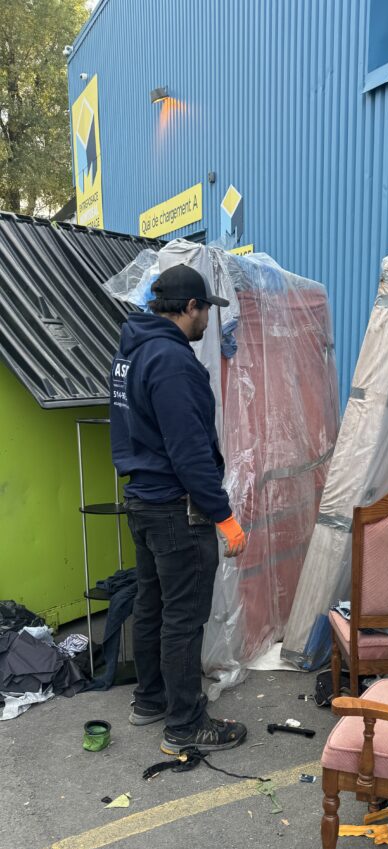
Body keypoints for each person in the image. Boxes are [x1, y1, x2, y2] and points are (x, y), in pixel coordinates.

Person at [109, 264, 247, 754]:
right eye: (206, 309)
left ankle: (151, 700)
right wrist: (224, 517)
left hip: (143, 501)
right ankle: (185, 726)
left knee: (152, 605)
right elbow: (189, 451)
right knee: (184, 619)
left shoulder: (131, 353)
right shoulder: (171, 361)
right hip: (175, 509)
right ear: (190, 307)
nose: (208, 318)